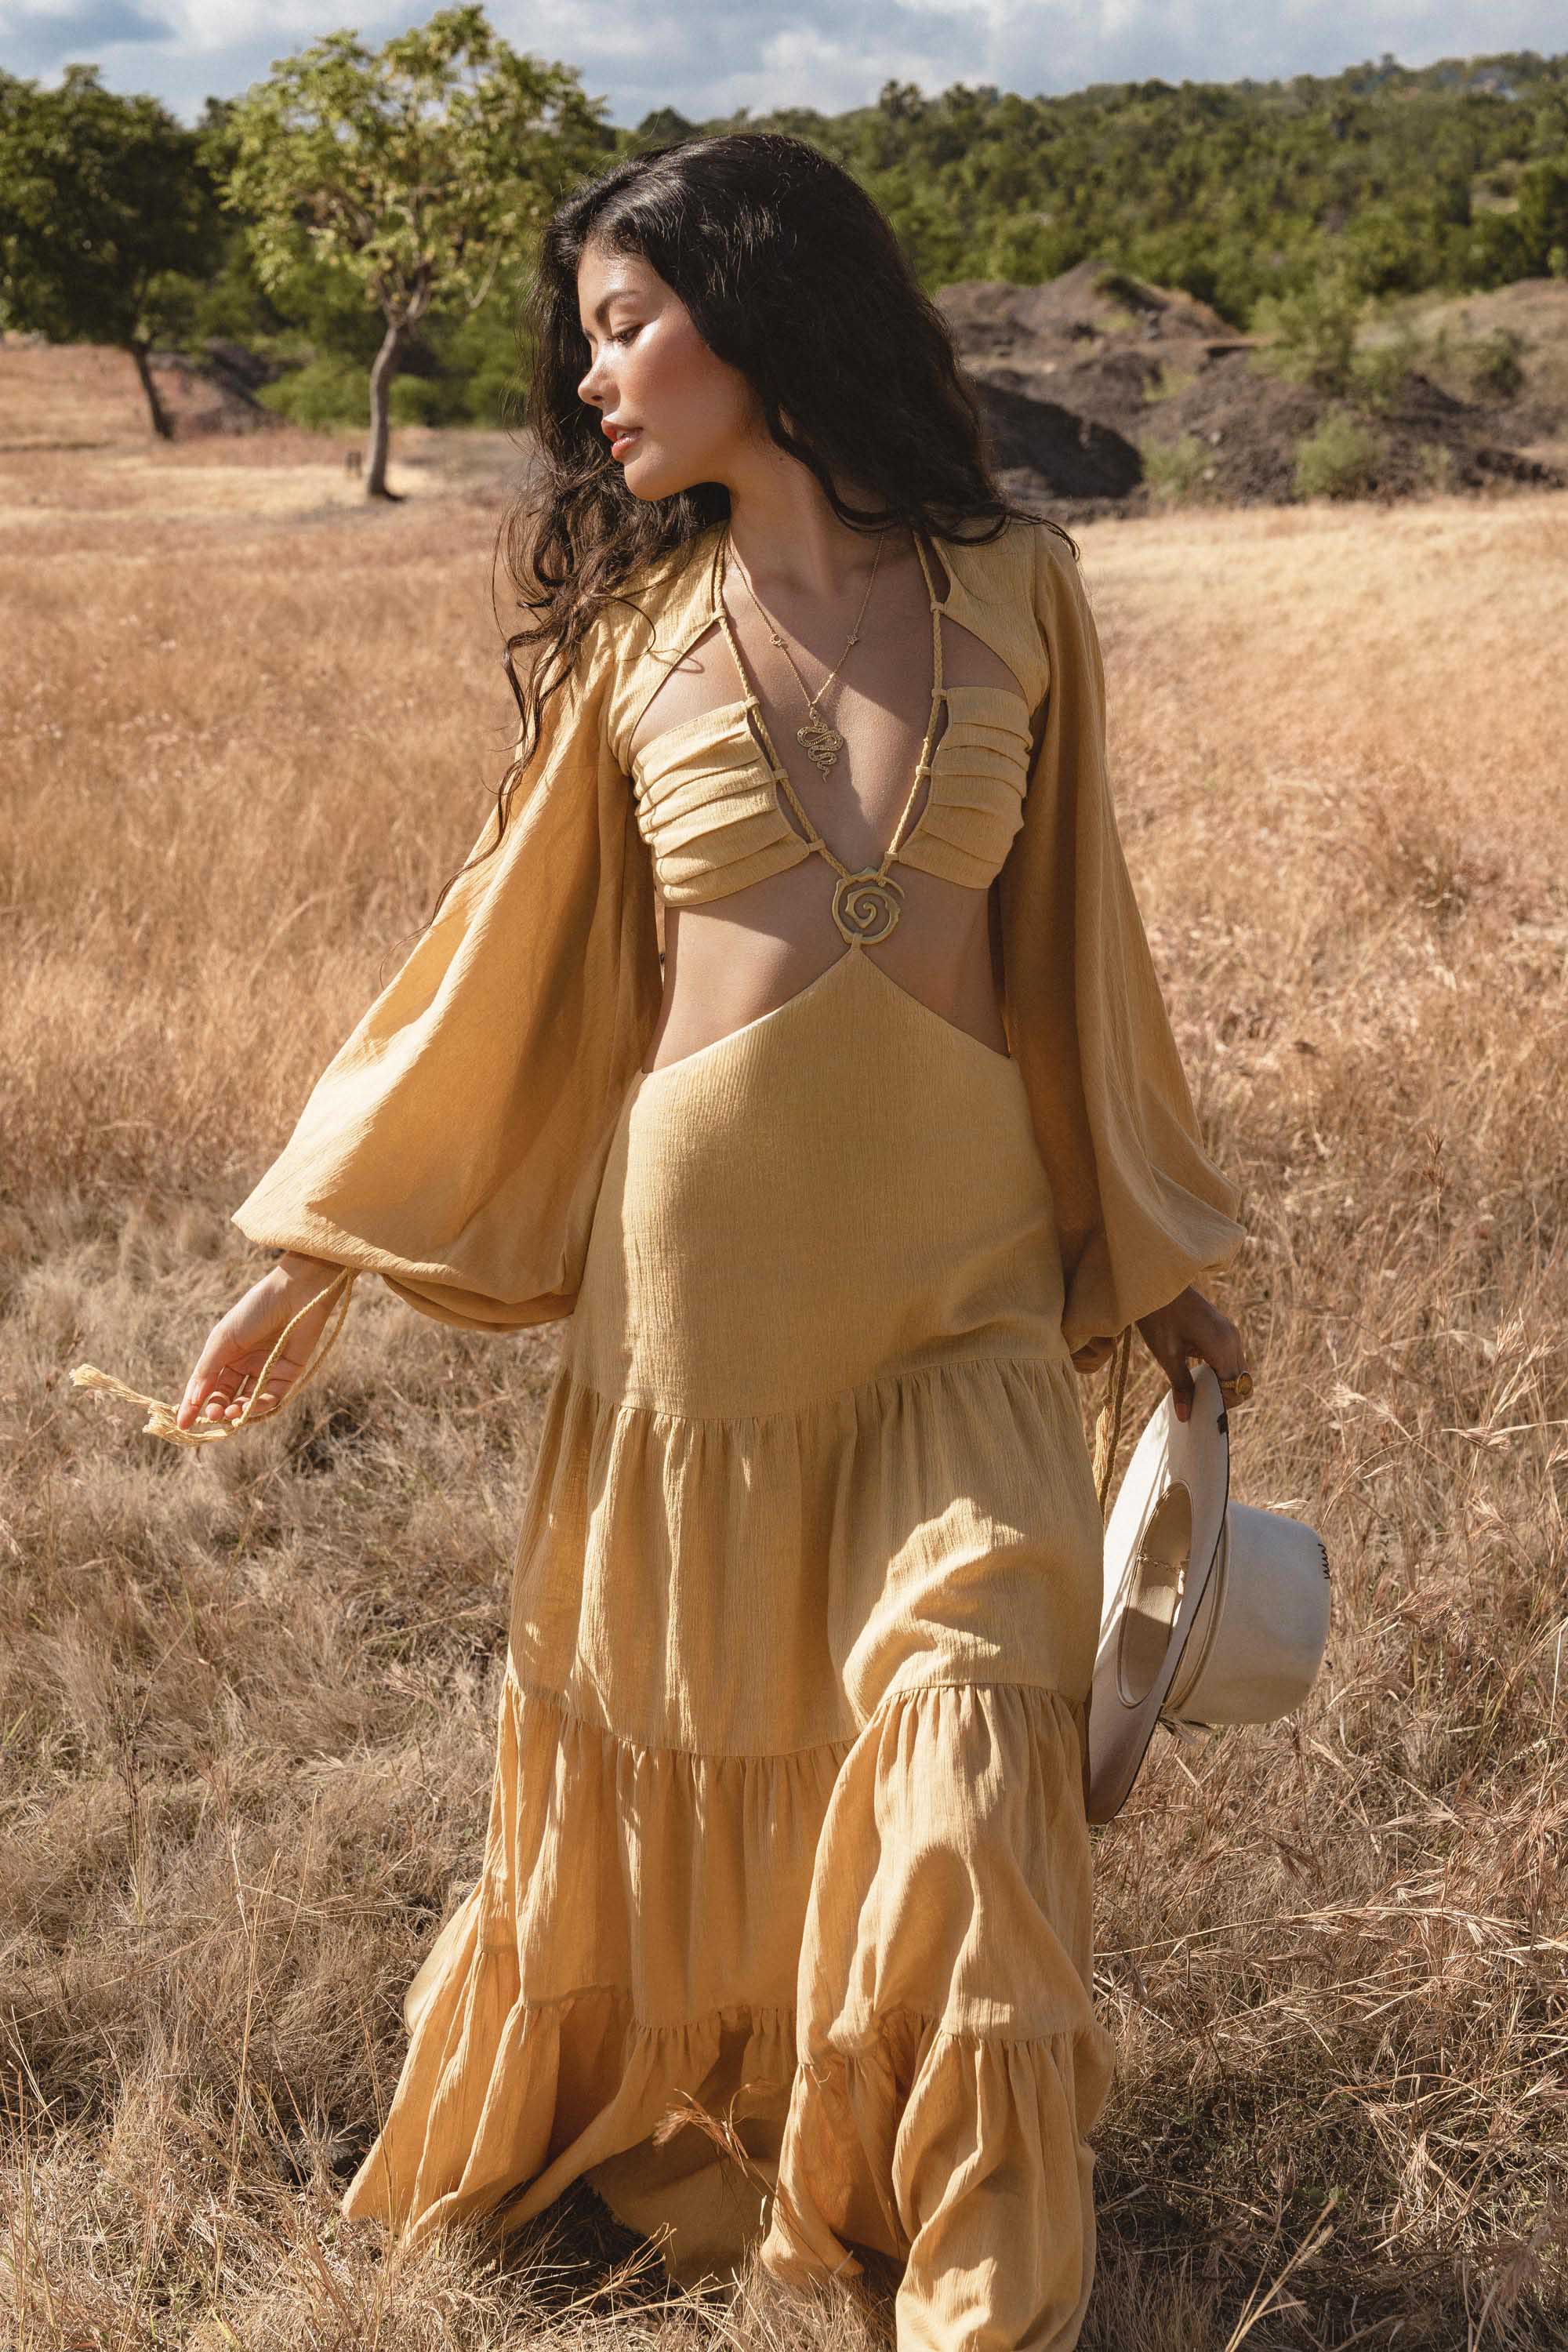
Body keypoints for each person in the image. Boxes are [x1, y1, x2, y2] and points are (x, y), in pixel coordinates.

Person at [172, 132, 1250, 2350]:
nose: (594, 383)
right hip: (692, 1335)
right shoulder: (638, 637)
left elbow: (1085, 951)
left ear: (759, 311)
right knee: (701, 1770)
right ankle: (734, 2144)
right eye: (586, 340)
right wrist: (313, 1257)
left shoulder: (1017, 587)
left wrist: (1152, 1262)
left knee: (966, 1776)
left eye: (625, 323)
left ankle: (982, 2301)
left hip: (955, 1313)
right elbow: (494, 966)